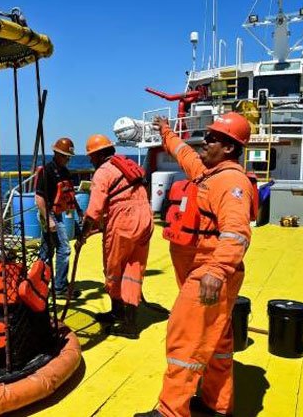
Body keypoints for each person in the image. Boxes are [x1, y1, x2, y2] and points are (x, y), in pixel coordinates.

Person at [135, 112, 255, 417]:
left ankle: (170, 411)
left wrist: (216, 271)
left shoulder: (230, 182)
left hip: (209, 271)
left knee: (184, 337)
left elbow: (237, 233)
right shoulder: (207, 173)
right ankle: (217, 405)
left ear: (229, 148)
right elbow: (183, 152)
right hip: (202, 268)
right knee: (217, 342)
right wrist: (165, 132)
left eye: (213, 137)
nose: (206, 140)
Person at [76, 134, 153, 339]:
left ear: (100, 154)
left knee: (114, 268)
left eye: (92, 156)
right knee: (134, 268)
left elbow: (94, 210)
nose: (91, 160)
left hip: (124, 221)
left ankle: (122, 315)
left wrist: (82, 235)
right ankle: (127, 318)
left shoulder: (103, 172)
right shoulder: (125, 165)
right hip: (145, 217)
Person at [35, 137, 82, 298]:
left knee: (47, 250)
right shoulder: (47, 171)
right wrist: (48, 219)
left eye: (69, 157)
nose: (67, 159)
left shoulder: (65, 172)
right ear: (56, 153)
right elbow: (39, 198)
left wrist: (79, 211)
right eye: (64, 156)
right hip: (49, 215)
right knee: (64, 248)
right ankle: (60, 288)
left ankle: (39, 282)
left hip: (61, 214)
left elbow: (69, 193)